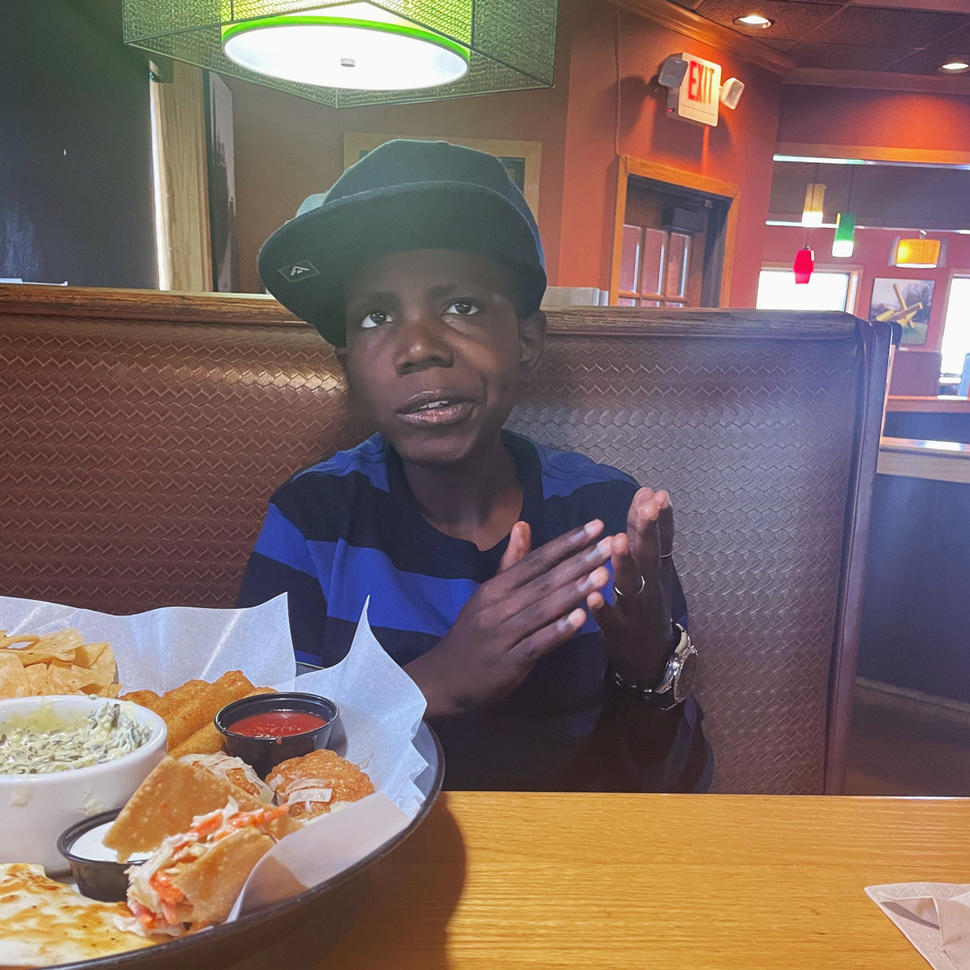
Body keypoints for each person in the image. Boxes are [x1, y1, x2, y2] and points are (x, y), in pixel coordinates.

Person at [238, 139, 711, 792]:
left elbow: (675, 788)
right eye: (376, 316)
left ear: (525, 341)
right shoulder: (312, 519)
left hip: (567, 876)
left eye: (460, 306)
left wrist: (646, 663)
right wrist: (436, 683)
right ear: (350, 367)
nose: (419, 347)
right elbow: (256, 773)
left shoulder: (602, 519)